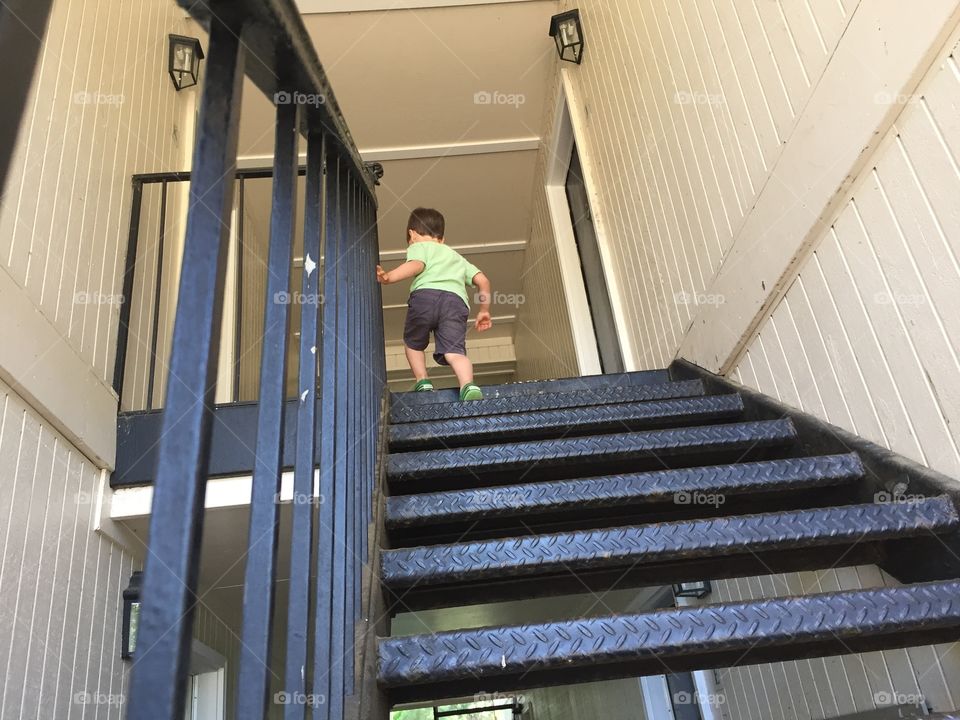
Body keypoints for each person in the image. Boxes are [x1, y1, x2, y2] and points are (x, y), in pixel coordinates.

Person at [376, 207, 492, 400]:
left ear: (411, 234)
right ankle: (468, 385)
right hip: (455, 303)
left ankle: (423, 381)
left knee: (413, 343)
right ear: (442, 239)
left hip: (425, 298)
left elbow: (416, 265)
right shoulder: (457, 257)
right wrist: (484, 310)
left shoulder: (419, 246)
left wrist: (389, 277)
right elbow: (483, 281)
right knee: (454, 351)